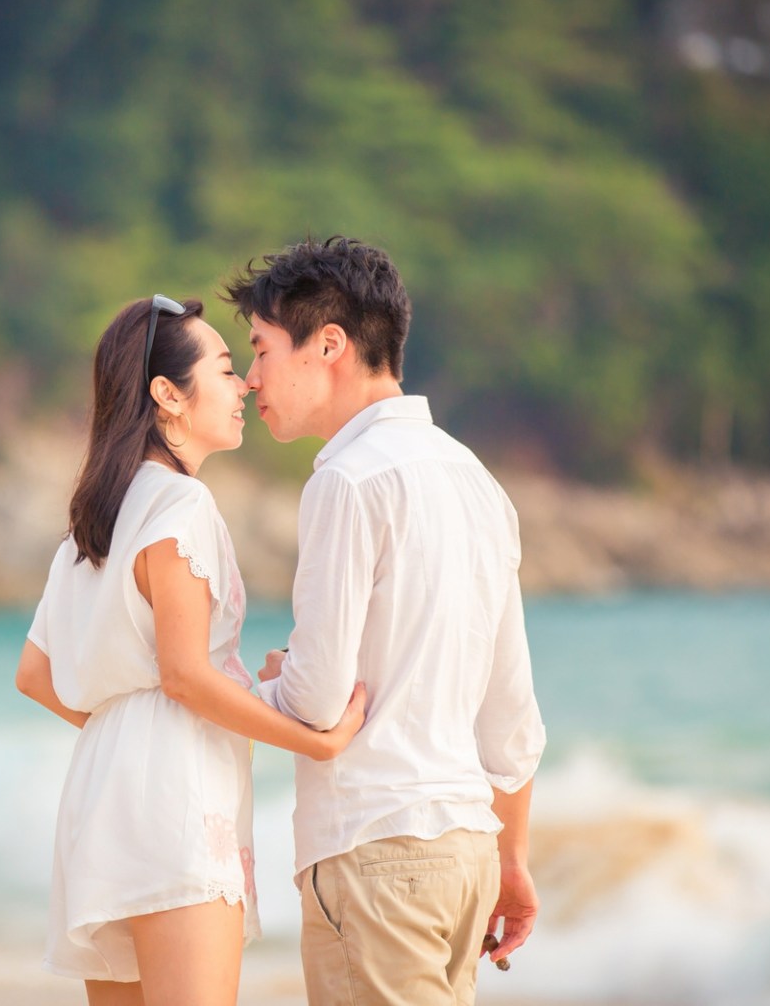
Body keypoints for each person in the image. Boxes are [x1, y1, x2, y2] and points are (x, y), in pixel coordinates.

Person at [15, 294, 368, 1006]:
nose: (244, 387)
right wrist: (314, 742)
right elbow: (184, 675)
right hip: (174, 801)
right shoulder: (180, 505)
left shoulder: (96, 519)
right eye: (227, 368)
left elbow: (35, 675)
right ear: (167, 396)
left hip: (99, 797)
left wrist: (127, 728)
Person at [222, 237, 547, 1005]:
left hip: (378, 850)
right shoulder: (477, 480)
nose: (252, 378)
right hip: (469, 848)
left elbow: (317, 700)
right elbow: (512, 718)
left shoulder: (347, 480)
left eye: (263, 350)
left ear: (328, 344)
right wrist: (512, 861)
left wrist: (244, 686)